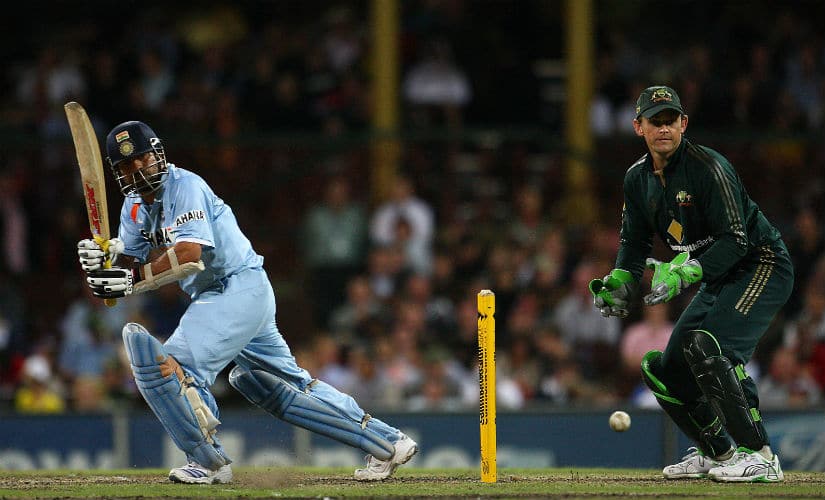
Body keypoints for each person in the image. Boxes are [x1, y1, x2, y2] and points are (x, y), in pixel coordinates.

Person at [75, 121, 417, 484]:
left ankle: (208, 462)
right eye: (128, 165)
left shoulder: (185, 186)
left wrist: (128, 280)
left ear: (158, 154)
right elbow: (130, 264)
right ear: (119, 173)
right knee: (281, 385)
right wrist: (104, 262)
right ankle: (388, 442)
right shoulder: (133, 207)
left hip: (235, 286)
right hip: (231, 296)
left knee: (167, 367)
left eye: (143, 158)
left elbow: (189, 254)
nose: (139, 169)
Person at [589, 86, 793, 482]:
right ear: (638, 127)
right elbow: (633, 243)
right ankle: (719, 454)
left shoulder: (709, 167)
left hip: (761, 264)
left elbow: (736, 240)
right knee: (665, 370)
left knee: (708, 346)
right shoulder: (637, 178)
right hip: (717, 275)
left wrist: (686, 272)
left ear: (684, 123)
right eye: (655, 122)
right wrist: (621, 280)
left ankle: (761, 456)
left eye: (670, 120)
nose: (664, 128)